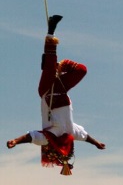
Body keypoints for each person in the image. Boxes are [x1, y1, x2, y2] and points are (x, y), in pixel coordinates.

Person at [6, 15, 105, 175]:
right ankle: (54, 65)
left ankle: (51, 31)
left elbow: (31, 137)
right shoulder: (72, 132)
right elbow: (85, 136)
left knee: (50, 66)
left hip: (48, 92)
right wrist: (97, 144)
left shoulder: (49, 137)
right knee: (81, 70)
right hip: (62, 89)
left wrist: (15, 141)